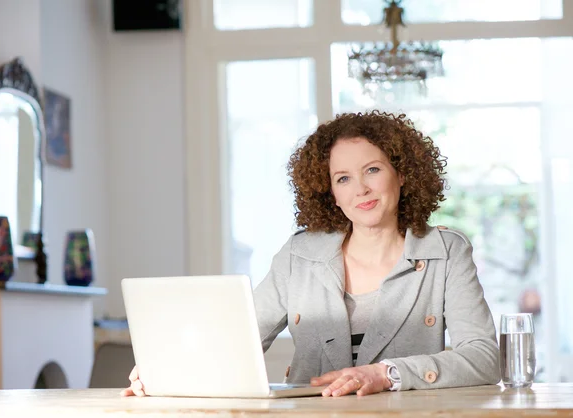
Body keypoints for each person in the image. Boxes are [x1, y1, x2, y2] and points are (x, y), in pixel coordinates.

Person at [122, 110, 500, 398]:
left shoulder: (447, 251)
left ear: (402, 174)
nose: (361, 189)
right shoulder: (298, 255)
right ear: (331, 193)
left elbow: (485, 358)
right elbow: (236, 339)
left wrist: (386, 374)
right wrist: (168, 369)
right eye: (343, 178)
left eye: (372, 170)